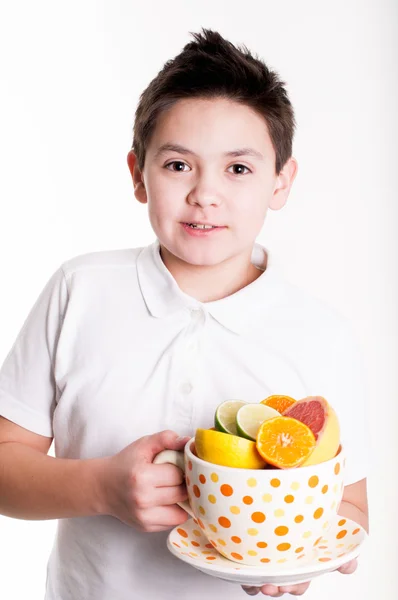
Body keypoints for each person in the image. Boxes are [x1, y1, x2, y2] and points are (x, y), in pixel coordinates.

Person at [0, 28, 369, 599]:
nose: (205, 194)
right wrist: (101, 487)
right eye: (178, 165)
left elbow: (349, 504)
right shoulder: (81, 290)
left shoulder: (322, 335)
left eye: (238, 169)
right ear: (137, 174)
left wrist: (306, 561)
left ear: (282, 180)